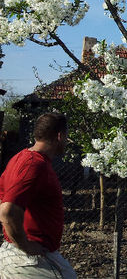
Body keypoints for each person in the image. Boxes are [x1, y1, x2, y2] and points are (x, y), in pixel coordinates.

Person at [0, 112, 76, 278]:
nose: (66, 141)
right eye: (66, 136)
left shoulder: (19, 159)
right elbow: (7, 211)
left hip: (15, 254)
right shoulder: (34, 165)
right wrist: (25, 245)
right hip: (31, 261)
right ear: (59, 136)